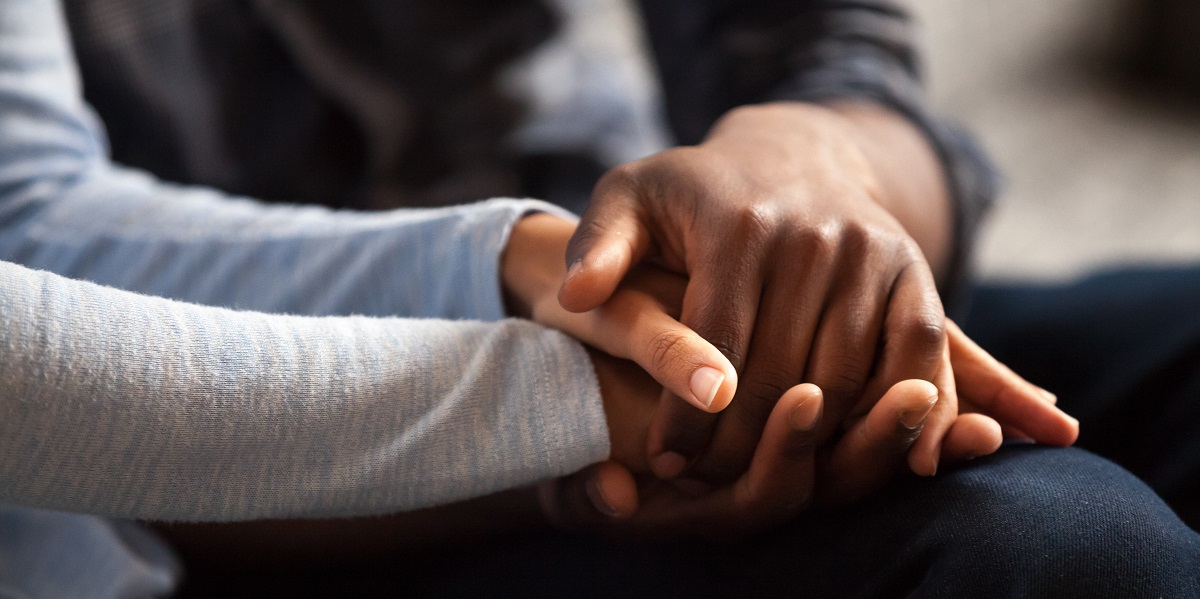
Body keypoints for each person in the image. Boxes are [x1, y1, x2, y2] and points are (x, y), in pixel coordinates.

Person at [0, 0, 1197, 597]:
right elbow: (31, 237)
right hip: (217, 447)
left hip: (615, 289)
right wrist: (616, 395)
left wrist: (814, 169)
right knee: (1056, 547)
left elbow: (827, 56)